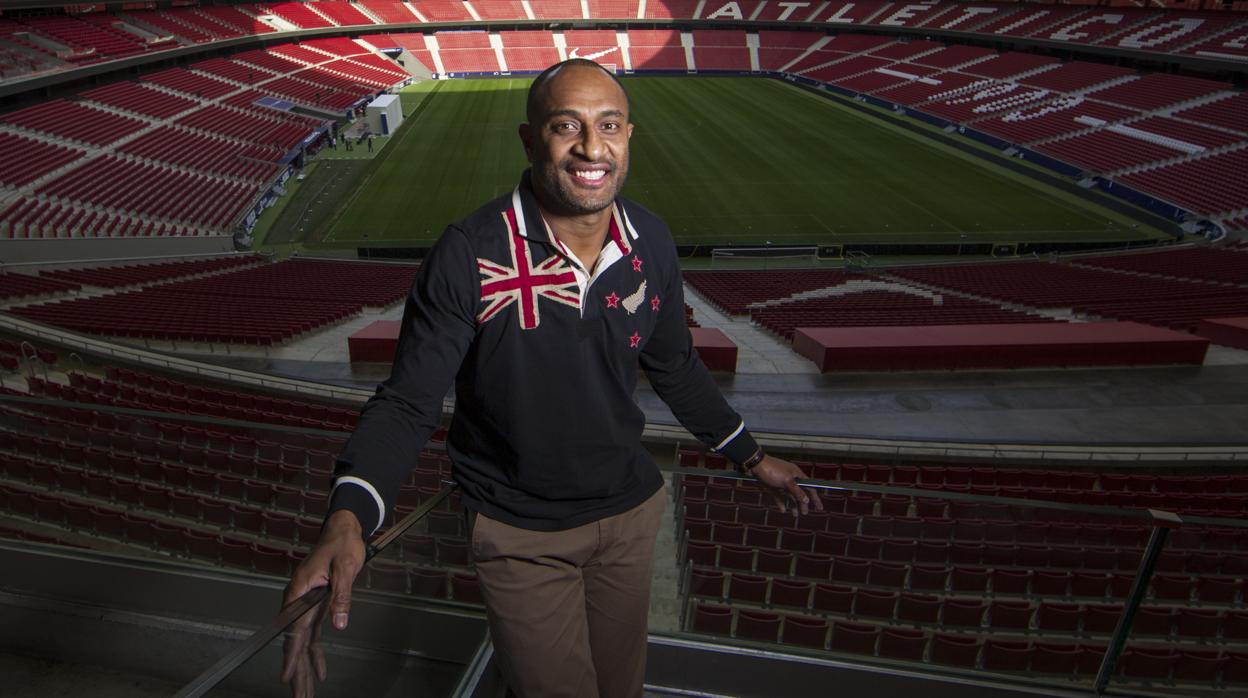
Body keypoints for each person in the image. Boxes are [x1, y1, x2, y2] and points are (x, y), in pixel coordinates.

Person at [280, 59, 821, 698]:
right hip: (520, 531)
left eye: (609, 125)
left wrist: (753, 458)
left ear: (628, 136)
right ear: (531, 140)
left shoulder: (651, 239)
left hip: (628, 515)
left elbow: (674, 365)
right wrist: (348, 519)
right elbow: (407, 402)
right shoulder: (469, 252)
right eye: (568, 126)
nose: (592, 148)